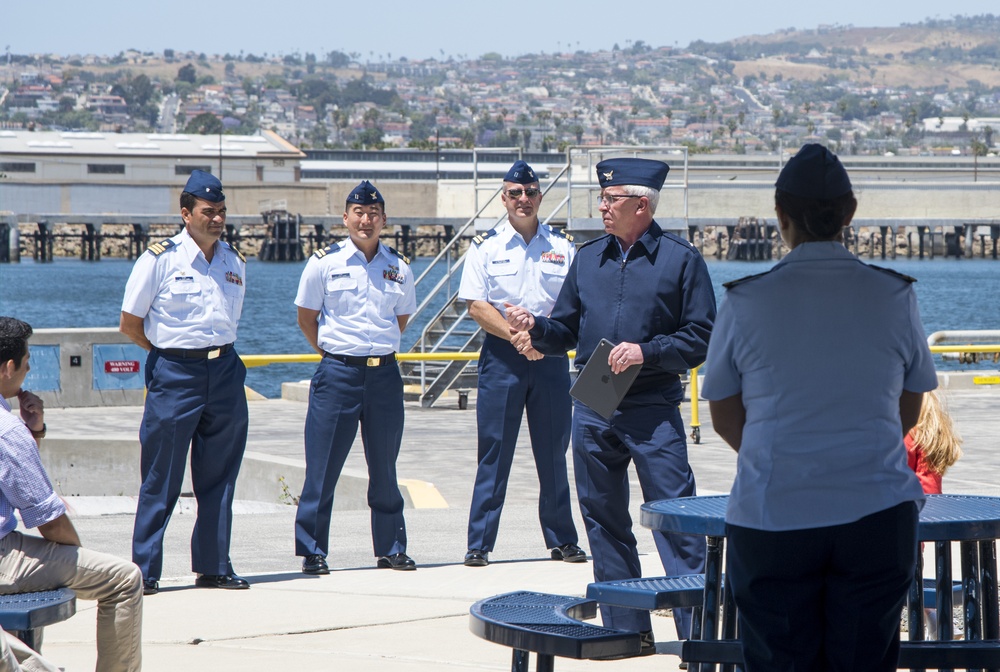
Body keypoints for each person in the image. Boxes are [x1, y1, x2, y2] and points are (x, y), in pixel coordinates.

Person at [702, 143, 939, 672]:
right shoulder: (893, 296)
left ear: (780, 215)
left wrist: (782, 453)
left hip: (773, 514)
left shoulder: (746, 300)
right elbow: (910, 403)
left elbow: (724, 414)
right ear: (850, 214)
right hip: (877, 513)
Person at [505, 158, 715, 648]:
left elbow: (702, 336)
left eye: (610, 199)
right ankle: (625, 632)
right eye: (601, 198)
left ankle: (698, 639)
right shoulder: (588, 258)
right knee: (603, 520)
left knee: (677, 520)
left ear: (641, 205)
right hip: (594, 404)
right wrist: (536, 327)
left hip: (652, 406)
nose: (601, 206)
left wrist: (647, 352)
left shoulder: (681, 260)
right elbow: (566, 330)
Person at [120, 169, 250, 594]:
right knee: (162, 477)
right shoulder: (159, 260)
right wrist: (169, 353)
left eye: (221, 211)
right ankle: (145, 571)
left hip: (225, 371)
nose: (217, 219)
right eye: (208, 211)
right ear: (186, 213)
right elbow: (130, 323)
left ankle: (214, 566)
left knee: (220, 477)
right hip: (176, 374)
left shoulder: (234, 261)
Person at [458, 160, 584, 568]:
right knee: (494, 452)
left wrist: (540, 339)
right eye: (515, 193)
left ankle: (562, 539)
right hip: (502, 360)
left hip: (550, 358)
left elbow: (573, 306)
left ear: (540, 197)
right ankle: (479, 543)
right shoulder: (486, 247)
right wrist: (517, 336)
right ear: (504, 198)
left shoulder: (563, 247)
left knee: (554, 453)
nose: (523, 199)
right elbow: (477, 306)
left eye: (530, 192)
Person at [0, 316, 143, 672]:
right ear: (8, 367)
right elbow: (48, 520)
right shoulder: (7, 430)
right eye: (26, 363)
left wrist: (34, 432)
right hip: (2, 557)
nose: (28, 372)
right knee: (124, 579)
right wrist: (75, 555)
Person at [293, 180, 417, 574]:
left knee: (385, 469)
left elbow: (401, 318)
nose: (366, 220)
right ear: (345, 218)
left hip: (384, 376)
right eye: (359, 213)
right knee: (323, 468)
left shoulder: (399, 266)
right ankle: (313, 550)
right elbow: (306, 318)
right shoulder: (324, 263)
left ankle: (391, 548)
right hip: (338, 375)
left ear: (384, 219)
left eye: (373, 214)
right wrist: (336, 354)